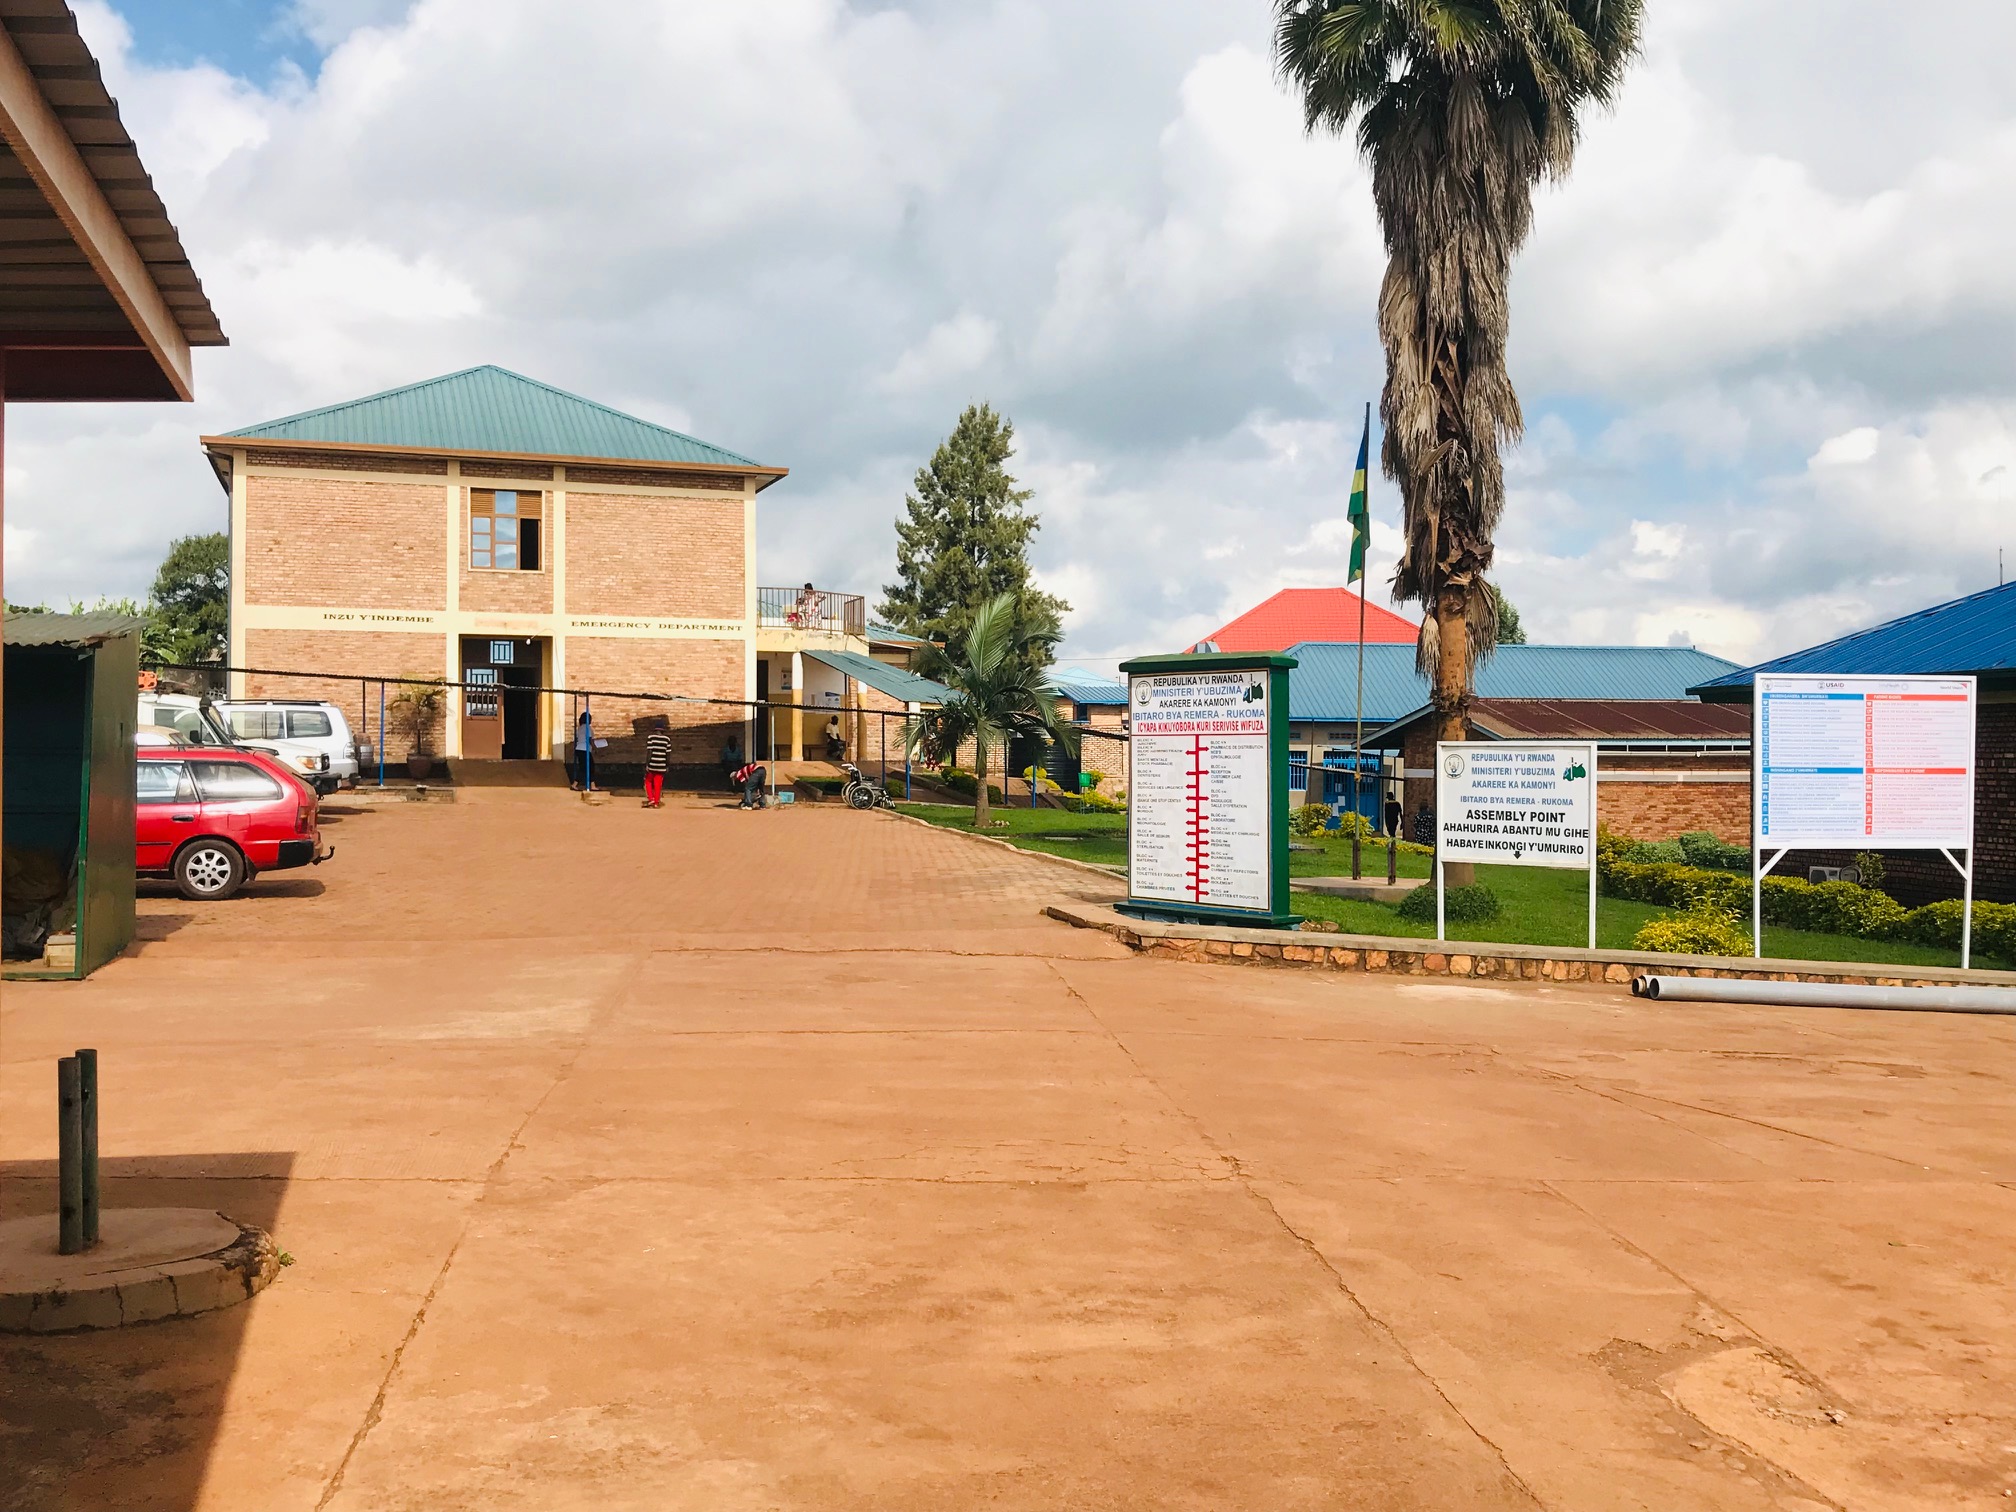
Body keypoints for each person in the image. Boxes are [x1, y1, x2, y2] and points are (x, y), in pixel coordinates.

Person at [642, 717, 672, 808]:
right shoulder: (667, 739)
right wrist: (667, 766)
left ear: (655, 729)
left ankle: (651, 798)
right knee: (658, 784)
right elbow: (668, 754)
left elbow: (649, 752)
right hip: (662, 765)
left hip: (652, 764)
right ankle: (656, 802)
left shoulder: (651, 738)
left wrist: (647, 764)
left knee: (648, 781)